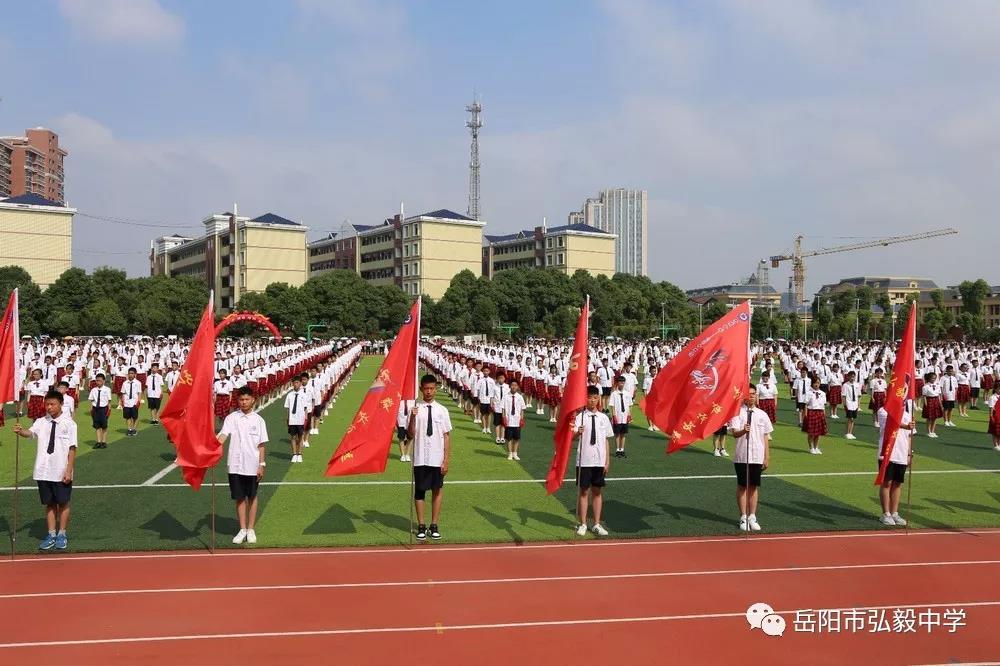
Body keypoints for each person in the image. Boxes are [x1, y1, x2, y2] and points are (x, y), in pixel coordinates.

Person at [13, 389, 77, 551]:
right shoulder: (41, 422)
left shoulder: (69, 424)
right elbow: (30, 433)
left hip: (61, 470)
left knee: (62, 503)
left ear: (60, 404)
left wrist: (68, 470)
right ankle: (51, 533)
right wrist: (21, 431)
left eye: (52, 404)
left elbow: (72, 448)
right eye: (47, 404)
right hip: (43, 470)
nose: (48, 407)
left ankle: (62, 533)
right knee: (49, 503)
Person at [217, 387, 268, 545]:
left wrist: (261, 464)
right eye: (241, 400)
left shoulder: (259, 420)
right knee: (239, 497)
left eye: (247, 399)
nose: (244, 402)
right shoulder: (232, 418)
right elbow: (223, 436)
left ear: (253, 399)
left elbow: (261, 445)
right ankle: (242, 529)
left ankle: (251, 529)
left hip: (252, 465)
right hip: (235, 464)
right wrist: (211, 447)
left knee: (252, 496)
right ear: (237, 401)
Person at [408, 374, 452, 540]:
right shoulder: (415, 408)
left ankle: (434, 524)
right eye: (426, 388)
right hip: (420, 457)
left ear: (436, 389)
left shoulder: (442, 410)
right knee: (419, 492)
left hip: (436, 457)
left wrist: (446, 460)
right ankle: (421, 524)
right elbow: (410, 434)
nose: (429, 392)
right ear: (421, 389)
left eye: (432, 388)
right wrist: (412, 417)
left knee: (437, 490)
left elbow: (447, 436)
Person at [727, 385, 773, 531]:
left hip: (757, 456)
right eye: (749, 394)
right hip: (742, 456)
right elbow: (734, 433)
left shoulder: (762, 414)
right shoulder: (737, 413)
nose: (751, 397)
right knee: (742, 486)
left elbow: (766, 436)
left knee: (753, 486)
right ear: (744, 396)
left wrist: (767, 456)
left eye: (753, 394)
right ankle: (743, 517)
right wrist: (742, 431)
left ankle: (752, 516)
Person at [572, 386, 612, 537]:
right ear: (585, 399)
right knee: (583, 491)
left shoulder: (603, 418)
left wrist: (607, 461)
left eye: (595, 397)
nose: (592, 400)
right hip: (584, 460)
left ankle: (596, 523)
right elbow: (571, 438)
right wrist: (577, 432)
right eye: (590, 397)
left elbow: (607, 440)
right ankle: (582, 523)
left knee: (597, 491)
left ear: (599, 399)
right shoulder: (580, 417)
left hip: (599, 460)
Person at [876, 400, 915, 526]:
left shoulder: (908, 415)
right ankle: (885, 513)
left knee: (897, 484)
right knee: (886, 483)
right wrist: (906, 426)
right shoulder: (883, 411)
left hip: (902, 453)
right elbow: (891, 424)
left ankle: (894, 513)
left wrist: (909, 453)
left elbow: (910, 436)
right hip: (887, 453)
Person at [284, 375, 309, 463]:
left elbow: (306, 408)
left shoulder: (304, 395)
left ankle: (300, 454)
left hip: (300, 419)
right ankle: (294, 454)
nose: (296, 384)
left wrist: (305, 419)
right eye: (294, 383)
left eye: (297, 382)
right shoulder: (289, 395)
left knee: (301, 437)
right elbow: (287, 408)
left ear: (300, 383)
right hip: (292, 419)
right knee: (293, 437)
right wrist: (287, 419)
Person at [501, 378, 526, 461]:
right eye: (512, 385)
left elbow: (522, 409)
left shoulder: (520, 397)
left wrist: (521, 419)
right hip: (509, 420)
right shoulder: (506, 396)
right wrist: (504, 418)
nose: (514, 387)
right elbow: (503, 408)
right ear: (510, 386)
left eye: (515, 385)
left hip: (517, 420)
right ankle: (510, 453)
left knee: (516, 438)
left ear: (518, 387)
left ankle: (515, 453)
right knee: (509, 438)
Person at [609, 375, 632, 458]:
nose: (621, 384)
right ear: (617, 383)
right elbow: (612, 405)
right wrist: (614, 415)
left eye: (623, 382)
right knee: (617, 434)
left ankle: (622, 449)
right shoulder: (614, 394)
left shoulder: (627, 393)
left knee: (623, 434)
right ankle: (617, 450)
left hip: (625, 416)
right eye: (620, 382)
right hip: (618, 416)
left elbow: (629, 405)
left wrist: (629, 414)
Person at [802, 377, 828, 455]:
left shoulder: (823, 393)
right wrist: (806, 415)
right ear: (812, 384)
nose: (817, 384)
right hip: (811, 412)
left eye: (818, 383)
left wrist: (824, 414)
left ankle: (816, 447)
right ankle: (811, 447)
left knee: (818, 432)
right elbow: (806, 404)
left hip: (820, 412)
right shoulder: (809, 393)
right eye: (815, 383)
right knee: (811, 432)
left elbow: (823, 405)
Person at [119, 367, 143, 436]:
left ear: (135, 374)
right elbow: (123, 393)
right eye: (129, 373)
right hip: (126, 402)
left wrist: (139, 401)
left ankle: (134, 429)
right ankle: (129, 429)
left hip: (134, 402)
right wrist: (122, 401)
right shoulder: (125, 383)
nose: (130, 375)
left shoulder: (138, 383)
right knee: (127, 417)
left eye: (132, 373)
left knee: (135, 417)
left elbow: (139, 393)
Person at [921, 371, 943, 438]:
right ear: (929, 378)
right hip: (929, 400)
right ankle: (928, 431)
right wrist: (926, 404)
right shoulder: (925, 386)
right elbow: (924, 396)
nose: (933, 379)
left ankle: (933, 431)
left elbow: (939, 395)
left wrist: (940, 403)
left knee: (935, 417)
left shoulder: (937, 385)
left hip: (936, 400)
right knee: (929, 418)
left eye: (934, 378)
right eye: (932, 378)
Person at [842, 371, 862, 440]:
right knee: (849, 418)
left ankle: (850, 433)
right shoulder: (845, 385)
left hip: (855, 404)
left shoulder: (857, 385)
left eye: (853, 377)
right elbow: (844, 396)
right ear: (848, 377)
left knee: (853, 419)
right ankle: (847, 433)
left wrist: (858, 404)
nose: (852, 378)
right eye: (851, 376)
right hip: (849, 403)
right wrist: (844, 405)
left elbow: (859, 395)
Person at [396, 396, 415, 462]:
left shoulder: (413, 398)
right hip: (400, 419)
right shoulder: (398, 398)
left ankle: (407, 454)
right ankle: (403, 455)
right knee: (401, 437)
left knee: (410, 437)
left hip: (410, 420)